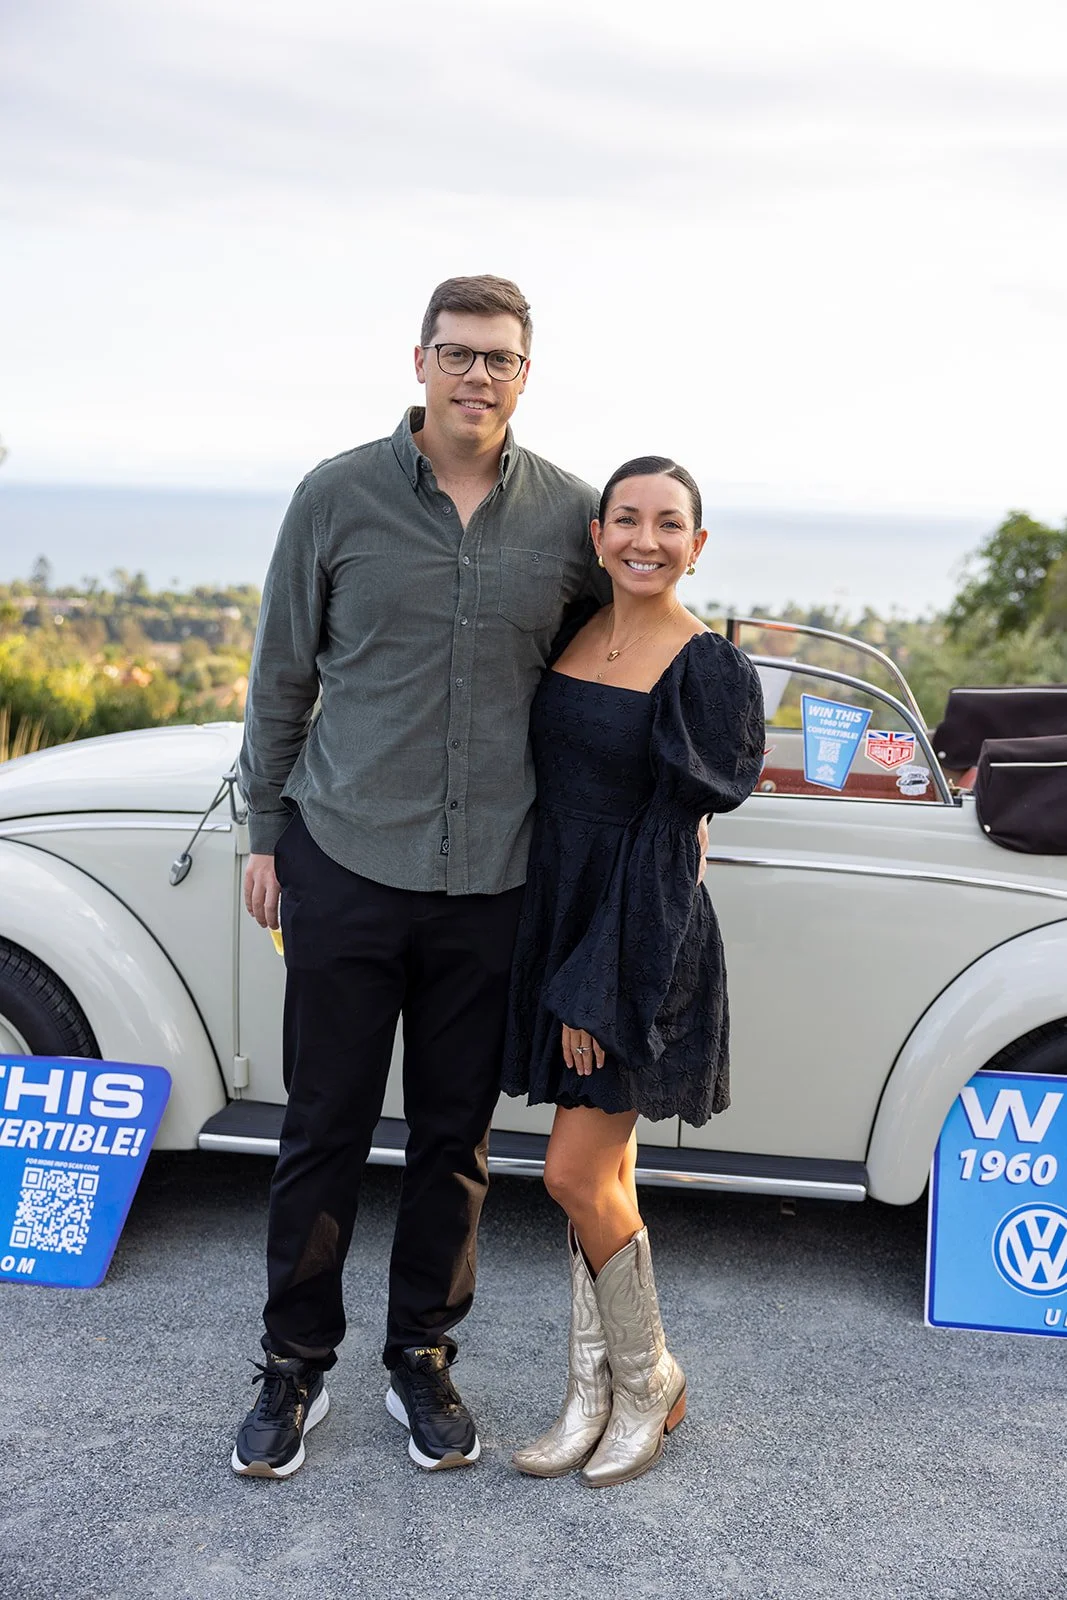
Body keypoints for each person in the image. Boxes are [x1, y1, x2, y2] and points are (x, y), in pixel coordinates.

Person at [231, 275, 607, 1478]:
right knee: (322, 1125)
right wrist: (262, 834)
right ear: (419, 362)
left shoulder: (571, 517)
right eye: (457, 354)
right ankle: (293, 1368)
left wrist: (668, 800)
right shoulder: (333, 496)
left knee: (454, 1138)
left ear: (524, 374)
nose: (476, 376)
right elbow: (282, 675)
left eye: (498, 358)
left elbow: (618, 663)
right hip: (343, 857)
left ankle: (420, 1357)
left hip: (495, 876)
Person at [501, 456, 765, 1487]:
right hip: (562, 917)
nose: (643, 539)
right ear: (598, 532)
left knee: (569, 1171)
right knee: (601, 1178)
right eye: (625, 519)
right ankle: (590, 1388)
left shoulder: (702, 666)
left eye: (668, 524)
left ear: (697, 544)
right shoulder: (574, 628)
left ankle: (648, 1378)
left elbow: (669, 842)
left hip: (635, 942)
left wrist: (593, 987)